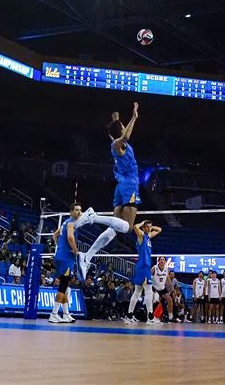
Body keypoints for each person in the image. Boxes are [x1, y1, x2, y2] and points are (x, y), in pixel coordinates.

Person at [77, 103, 139, 278]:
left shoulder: (115, 142)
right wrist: (134, 117)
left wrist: (116, 120)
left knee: (114, 228)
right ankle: (92, 216)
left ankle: (87, 257)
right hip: (129, 185)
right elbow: (125, 135)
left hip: (121, 185)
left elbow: (117, 132)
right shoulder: (118, 144)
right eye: (122, 126)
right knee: (127, 228)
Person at [125, 219, 163, 324]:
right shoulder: (141, 236)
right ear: (143, 228)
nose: (149, 229)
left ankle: (129, 315)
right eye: (147, 227)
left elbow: (159, 230)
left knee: (137, 292)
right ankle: (150, 317)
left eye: (150, 227)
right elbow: (135, 227)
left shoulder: (148, 237)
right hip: (143, 267)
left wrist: (150, 226)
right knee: (148, 292)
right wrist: (142, 224)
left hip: (142, 267)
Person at [49, 204, 82, 324]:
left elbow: (55, 235)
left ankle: (66, 314)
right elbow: (70, 237)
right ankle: (53, 314)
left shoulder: (64, 223)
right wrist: (75, 250)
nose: (79, 212)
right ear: (71, 212)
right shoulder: (71, 223)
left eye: (80, 210)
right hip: (66, 257)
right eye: (76, 210)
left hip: (61, 255)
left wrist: (60, 247)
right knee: (63, 285)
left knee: (66, 286)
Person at [151, 256, 173, 322]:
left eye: (163, 259)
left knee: (170, 300)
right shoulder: (154, 268)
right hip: (153, 287)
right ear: (158, 261)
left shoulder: (166, 269)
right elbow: (148, 276)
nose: (162, 260)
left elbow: (167, 279)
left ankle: (170, 315)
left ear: (165, 261)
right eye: (161, 259)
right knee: (153, 301)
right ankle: (151, 317)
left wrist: (171, 288)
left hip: (161, 288)